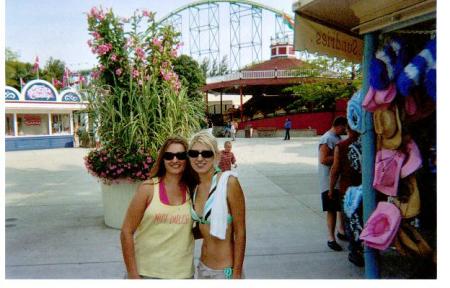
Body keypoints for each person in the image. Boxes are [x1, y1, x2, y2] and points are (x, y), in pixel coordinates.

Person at [120, 136, 196, 279]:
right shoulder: (148, 189)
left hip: (183, 274)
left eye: (180, 155)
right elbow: (126, 231)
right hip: (146, 273)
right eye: (169, 156)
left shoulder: (192, 190)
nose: (175, 160)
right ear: (163, 159)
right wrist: (133, 275)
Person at [188, 131, 246, 279]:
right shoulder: (195, 187)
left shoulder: (228, 183)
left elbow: (240, 232)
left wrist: (237, 273)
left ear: (215, 156)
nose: (199, 158)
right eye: (194, 153)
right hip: (202, 267)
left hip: (225, 271)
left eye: (206, 153)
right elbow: (203, 228)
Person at [329, 125, 364, 266]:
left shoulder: (342, 146)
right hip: (367, 190)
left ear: (348, 129)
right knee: (365, 219)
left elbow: (335, 170)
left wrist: (331, 189)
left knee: (351, 222)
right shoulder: (371, 144)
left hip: (348, 191)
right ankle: (367, 248)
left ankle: (355, 251)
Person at [318, 116, 348, 251]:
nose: (345, 130)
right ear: (339, 125)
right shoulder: (327, 138)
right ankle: (331, 238)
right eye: (344, 127)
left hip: (337, 180)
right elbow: (323, 159)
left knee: (340, 207)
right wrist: (339, 157)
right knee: (331, 210)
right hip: (328, 181)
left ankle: (341, 231)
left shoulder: (336, 138)